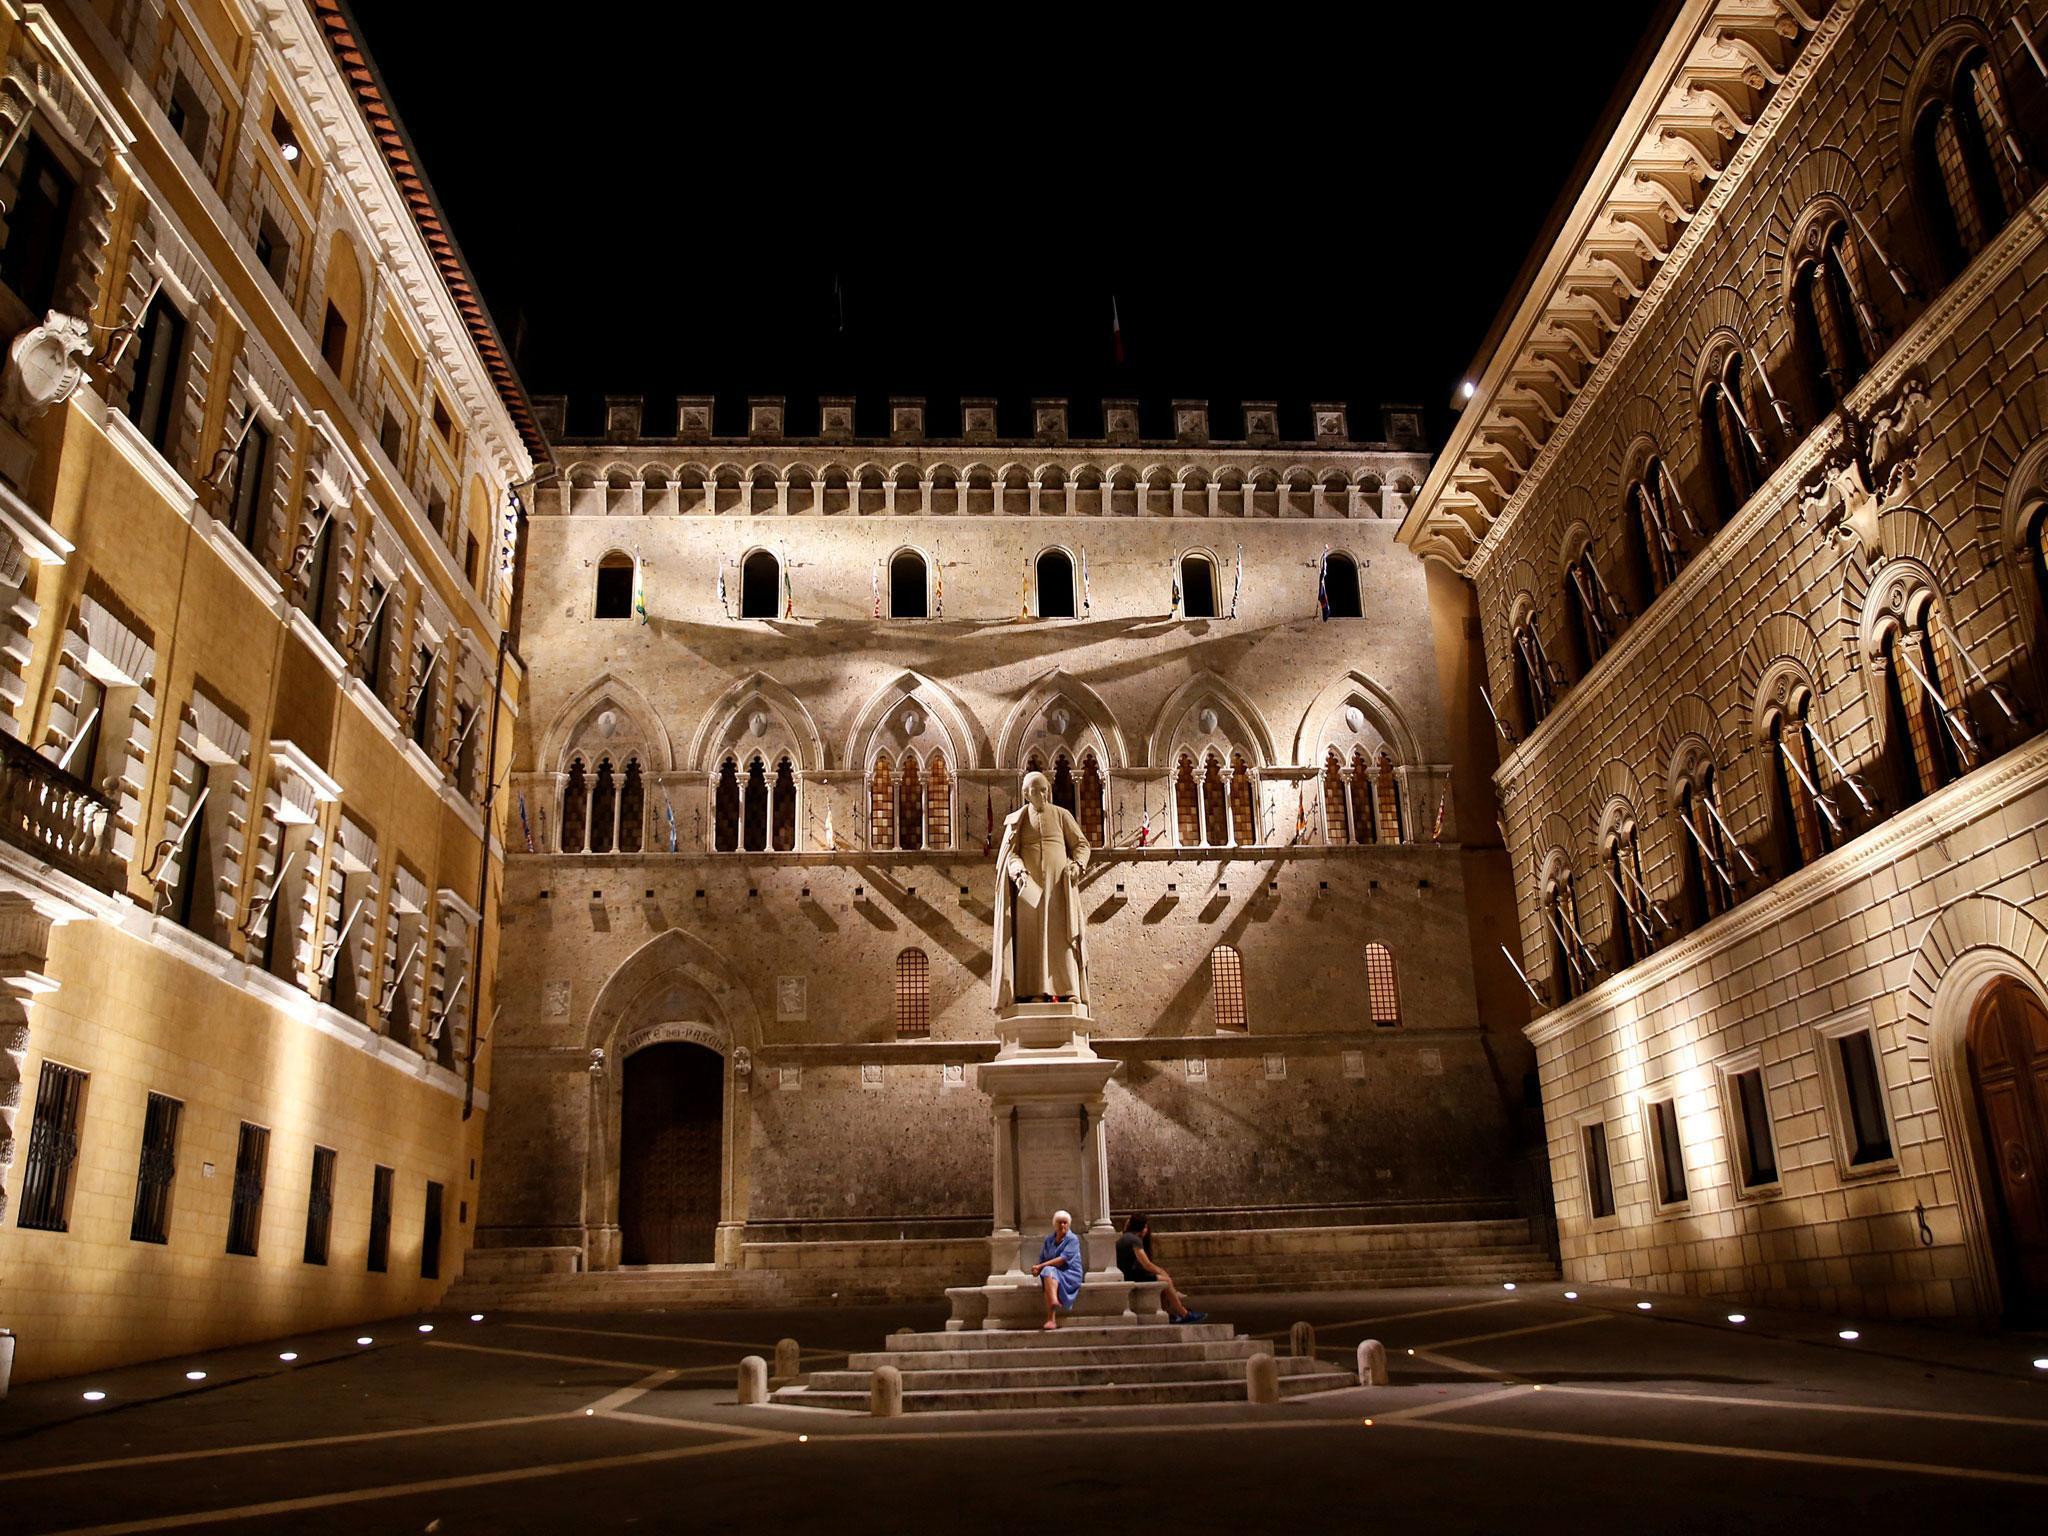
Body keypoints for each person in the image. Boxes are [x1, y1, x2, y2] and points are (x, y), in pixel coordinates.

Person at [992, 770, 1091, 1008]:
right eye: (1037, 790)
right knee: (1031, 940)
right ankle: (1033, 992)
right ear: (1027, 794)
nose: (1043, 794)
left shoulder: (1061, 815)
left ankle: (1069, 990)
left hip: (1059, 888)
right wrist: (1019, 872)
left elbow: (1081, 844)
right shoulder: (1018, 820)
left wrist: (1078, 864)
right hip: (1030, 892)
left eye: (1045, 788)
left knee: (1062, 936)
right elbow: (1010, 854)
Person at [1115, 1213, 1206, 1325]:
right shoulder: (1134, 1240)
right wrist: (1161, 1271)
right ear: (1143, 1228)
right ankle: (1184, 1313)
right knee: (1166, 1281)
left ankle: (1168, 1312)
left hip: (1127, 1273)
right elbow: (1146, 1264)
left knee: (1162, 1280)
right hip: (1131, 1275)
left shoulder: (1124, 1238)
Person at [1031, 1209, 1084, 1330]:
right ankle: (1053, 1304)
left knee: (1047, 1271)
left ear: (1068, 1224)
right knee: (1047, 1272)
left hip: (1070, 1273)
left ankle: (1051, 1319)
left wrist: (1041, 1267)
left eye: (1065, 1222)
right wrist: (1037, 1270)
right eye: (1059, 1222)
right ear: (1055, 1224)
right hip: (1052, 1274)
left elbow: (1062, 1259)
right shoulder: (1048, 1240)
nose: (1062, 1225)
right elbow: (1042, 1259)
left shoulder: (1073, 1239)